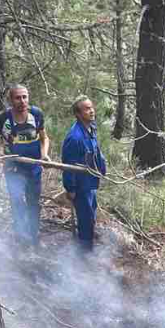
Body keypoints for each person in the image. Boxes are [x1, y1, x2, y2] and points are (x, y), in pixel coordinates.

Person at [0, 84, 50, 247]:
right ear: (11, 100)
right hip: (13, 168)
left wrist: (44, 154)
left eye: (25, 97)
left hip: (34, 167)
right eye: (18, 97)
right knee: (17, 201)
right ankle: (21, 237)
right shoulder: (2, 117)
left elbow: (44, 137)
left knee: (34, 202)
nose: (22, 101)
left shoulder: (36, 114)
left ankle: (33, 235)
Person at [61, 95, 107, 252]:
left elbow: (96, 152)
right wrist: (70, 189)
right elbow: (68, 166)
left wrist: (102, 169)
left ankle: (87, 245)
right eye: (87, 109)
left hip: (91, 182)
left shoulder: (91, 127)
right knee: (86, 220)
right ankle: (85, 254)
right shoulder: (74, 138)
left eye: (91, 107)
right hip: (81, 186)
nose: (91, 111)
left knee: (91, 216)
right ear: (78, 114)